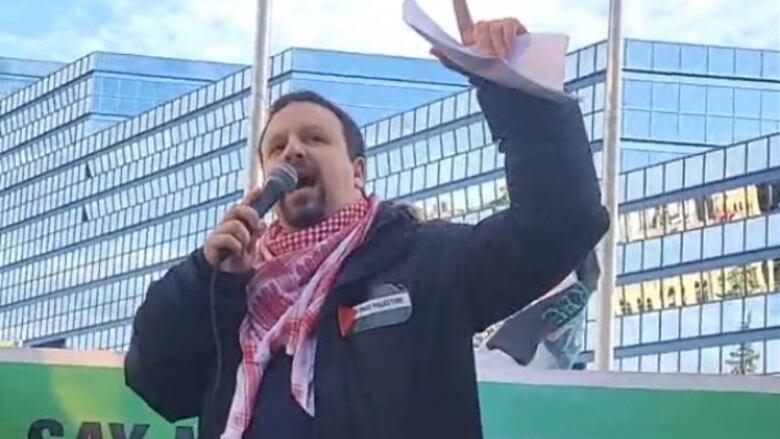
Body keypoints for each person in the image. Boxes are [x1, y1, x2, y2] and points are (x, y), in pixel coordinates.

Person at [124, 12, 609, 439]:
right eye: (277, 147)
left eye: (315, 138)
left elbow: (562, 222)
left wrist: (517, 95)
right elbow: (157, 383)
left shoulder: (426, 260)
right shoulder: (232, 291)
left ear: (358, 172)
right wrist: (206, 277)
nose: (293, 150)